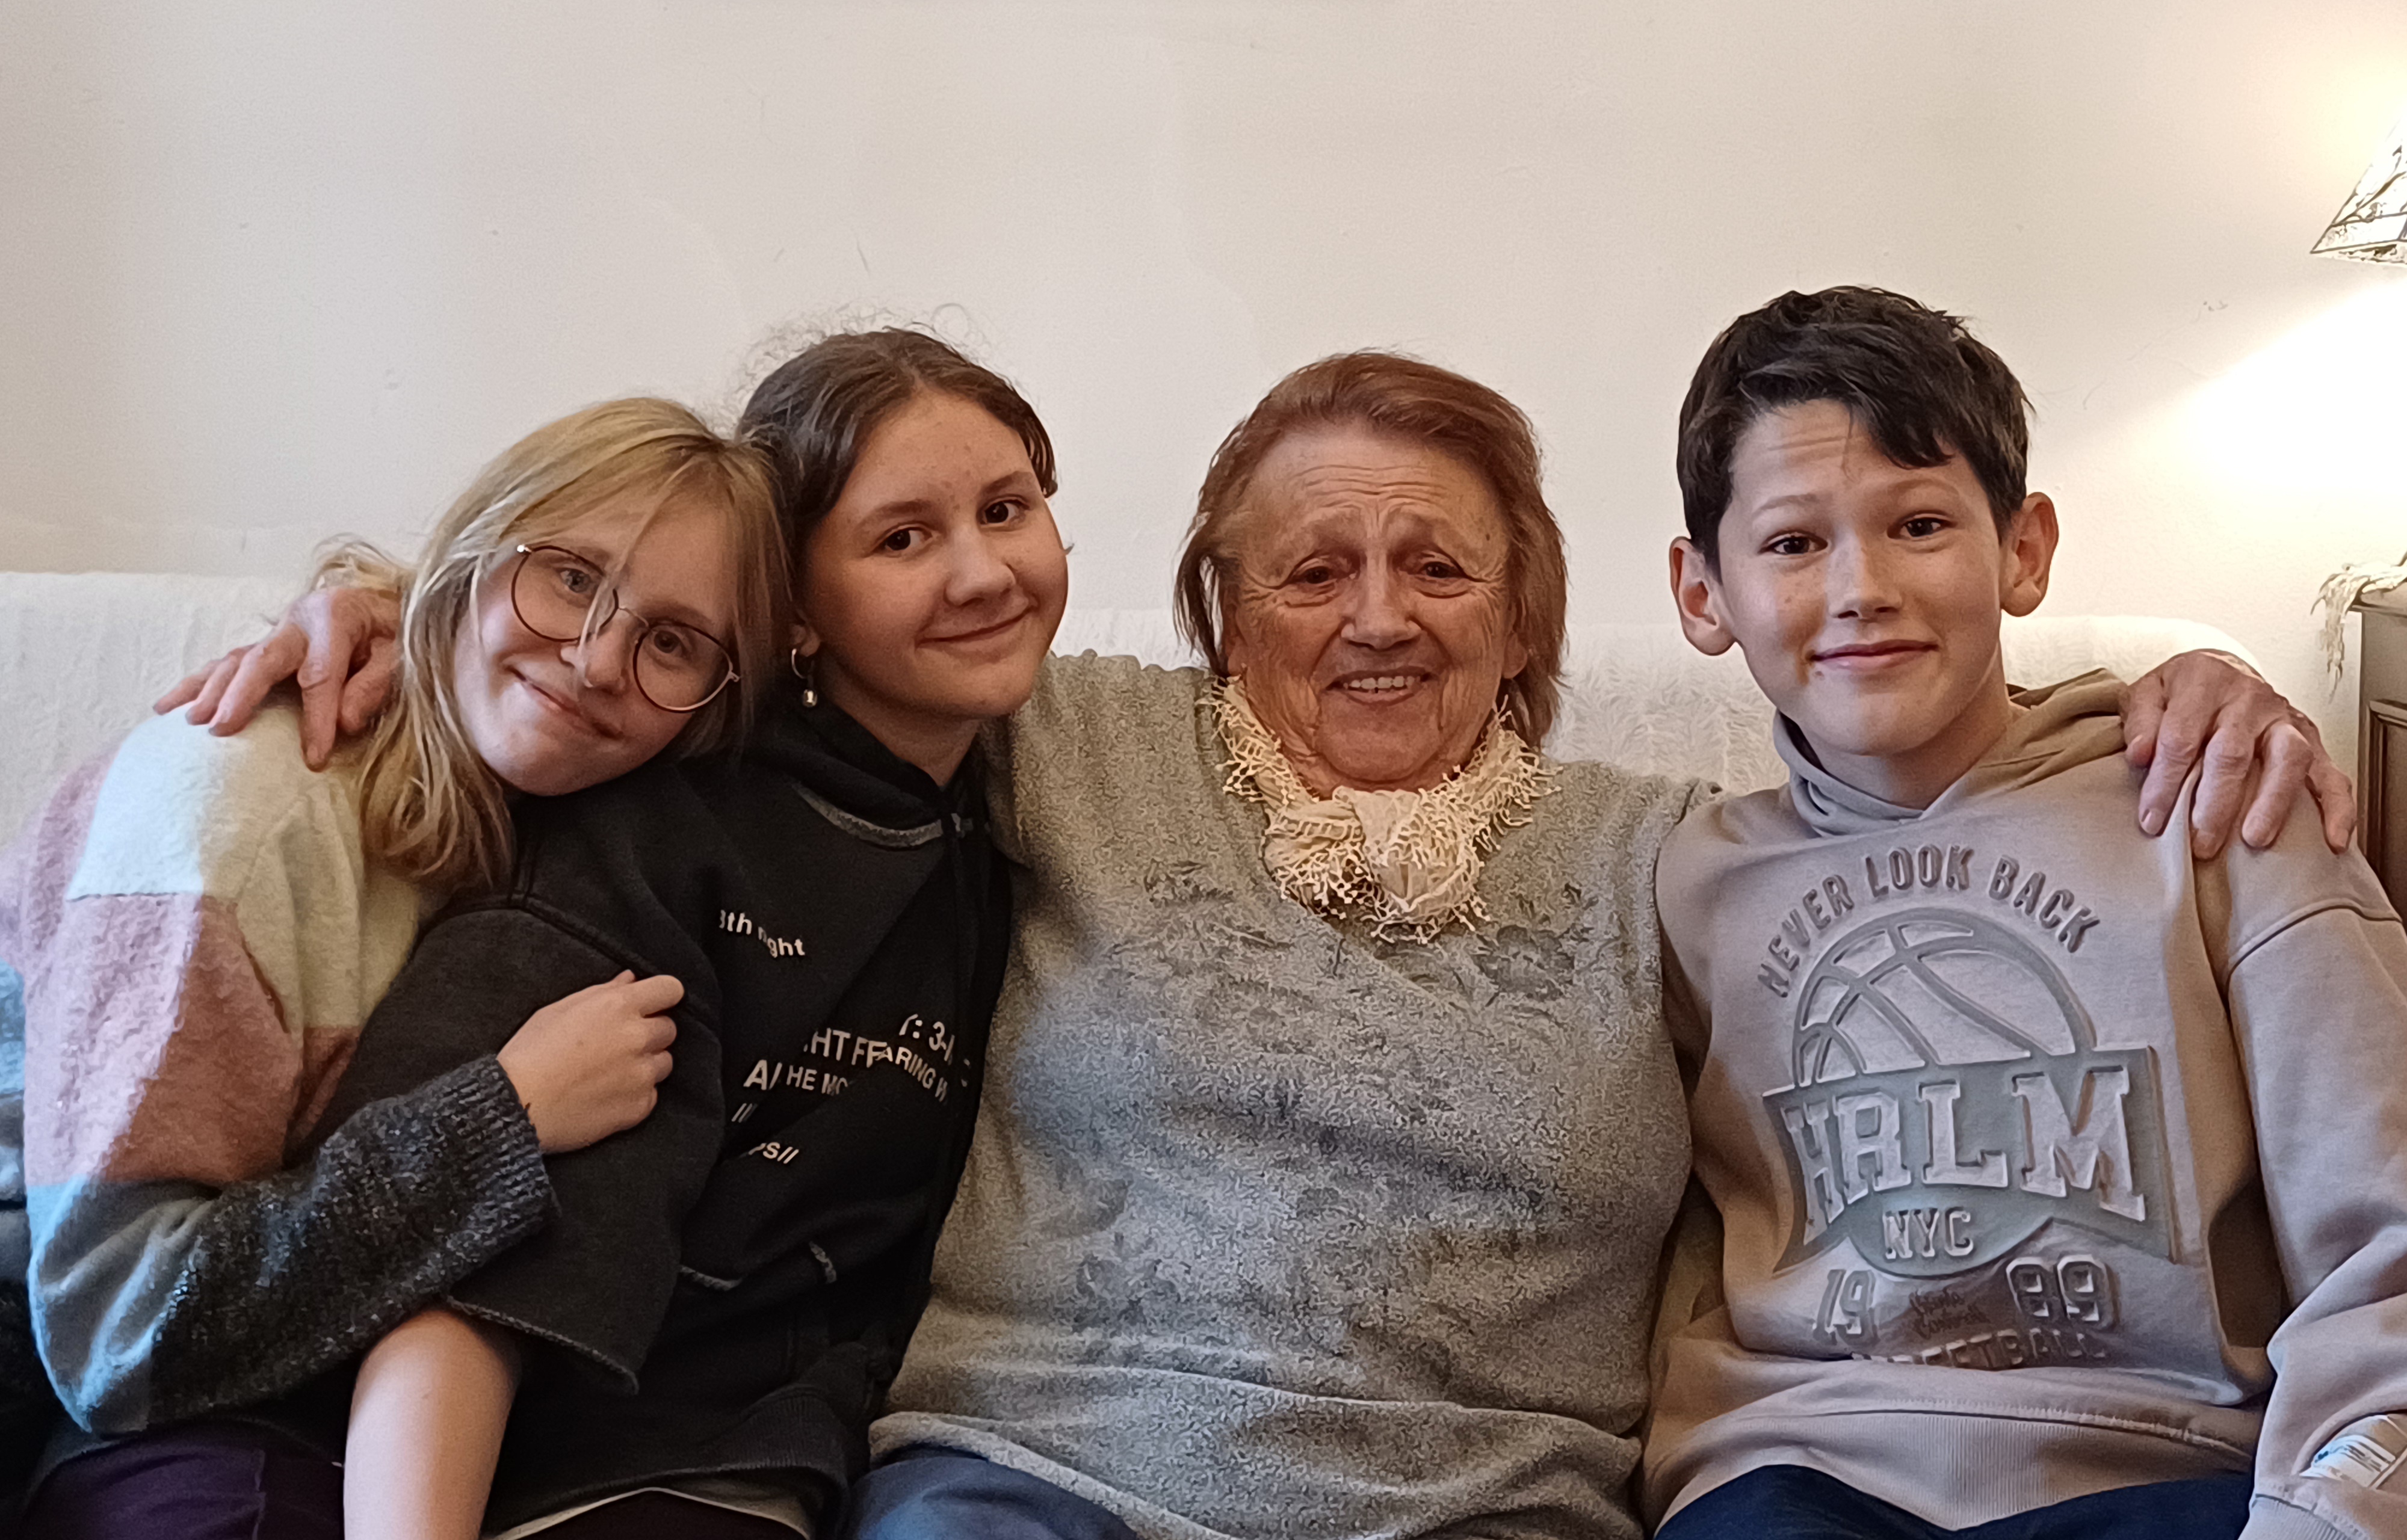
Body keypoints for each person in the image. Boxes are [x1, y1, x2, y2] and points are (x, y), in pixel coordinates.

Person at [183, 348, 2352, 1540]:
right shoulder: (1061, 745)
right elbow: (738, 603)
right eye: (1311, 572)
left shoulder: (1666, 853)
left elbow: (1907, 807)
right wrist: (405, 603)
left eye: (1440, 567)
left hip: (1488, 1506)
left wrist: (2181, 690)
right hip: (1036, 1473)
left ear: (1531, 611)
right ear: (1218, 608)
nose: (1378, 618)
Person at [172, 330, 1071, 1540]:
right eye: (902, 538)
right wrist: (396, 604)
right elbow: (480, 1285)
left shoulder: (1035, 782)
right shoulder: (656, 835)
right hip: (584, 1457)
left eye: (1006, 510)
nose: (980, 575)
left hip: (818, 1439)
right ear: (793, 612)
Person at [1645, 287, 2407, 1540]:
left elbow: (2384, 1246)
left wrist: (2331, 1507)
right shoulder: (1677, 882)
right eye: (1791, 543)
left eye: (1919, 524)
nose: (1861, 587)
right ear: (1701, 592)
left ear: (2024, 550)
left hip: (2163, 1469)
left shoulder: (2218, 804)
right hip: (1787, 1474)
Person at [0, 396, 791, 1538]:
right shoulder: (242, 817)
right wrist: (502, 1118)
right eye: (571, 578)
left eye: (670, 641)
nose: (595, 661)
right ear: (473, 553)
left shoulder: (563, 804)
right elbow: (116, 1333)